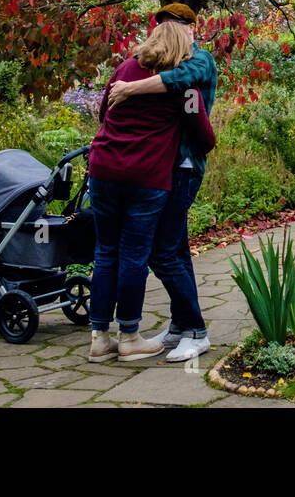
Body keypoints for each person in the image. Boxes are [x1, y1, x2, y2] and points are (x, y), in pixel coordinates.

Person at [85, 21, 216, 364]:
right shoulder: (184, 87)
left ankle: (99, 339)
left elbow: (103, 112)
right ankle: (129, 337)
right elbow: (204, 137)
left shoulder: (125, 69)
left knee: (104, 253)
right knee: (134, 256)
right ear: (183, 50)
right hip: (145, 177)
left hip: (102, 170)